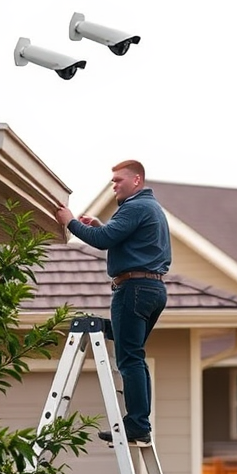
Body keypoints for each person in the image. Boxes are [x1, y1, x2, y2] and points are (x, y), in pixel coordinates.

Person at [55, 160, 171, 444]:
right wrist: (100, 224)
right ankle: (140, 422)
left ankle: (137, 425)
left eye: (119, 180)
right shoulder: (151, 208)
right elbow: (117, 235)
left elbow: (104, 239)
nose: (114, 185)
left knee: (129, 358)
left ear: (137, 181)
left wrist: (69, 221)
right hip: (153, 289)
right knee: (133, 351)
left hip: (133, 288)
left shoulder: (136, 206)